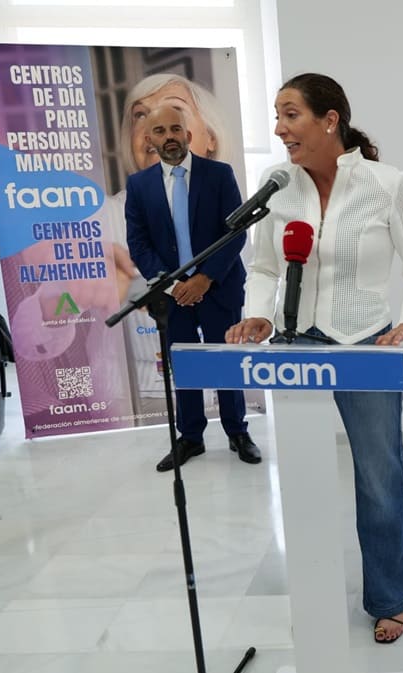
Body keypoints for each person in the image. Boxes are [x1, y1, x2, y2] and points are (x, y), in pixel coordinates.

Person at [226, 73, 403, 644]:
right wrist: (260, 314)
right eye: (276, 114)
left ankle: (391, 596)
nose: (279, 128)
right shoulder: (277, 186)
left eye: (290, 114)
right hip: (297, 344)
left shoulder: (386, 184)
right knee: (300, 475)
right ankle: (311, 587)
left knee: (378, 474)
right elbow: (265, 265)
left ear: (330, 119)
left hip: (368, 343)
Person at [125, 105, 259, 472]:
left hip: (220, 285)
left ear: (187, 134)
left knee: (227, 361)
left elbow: (237, 231)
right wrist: (173, 285)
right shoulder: (139, 186)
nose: (168, 136)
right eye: (160, 131)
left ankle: (237, 431)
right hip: (172, 295)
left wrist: (205, 278)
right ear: (150, 139)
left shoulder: (219, 175)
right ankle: (191, 437)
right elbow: (138, 243)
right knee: (184, 365)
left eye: (175, 129)